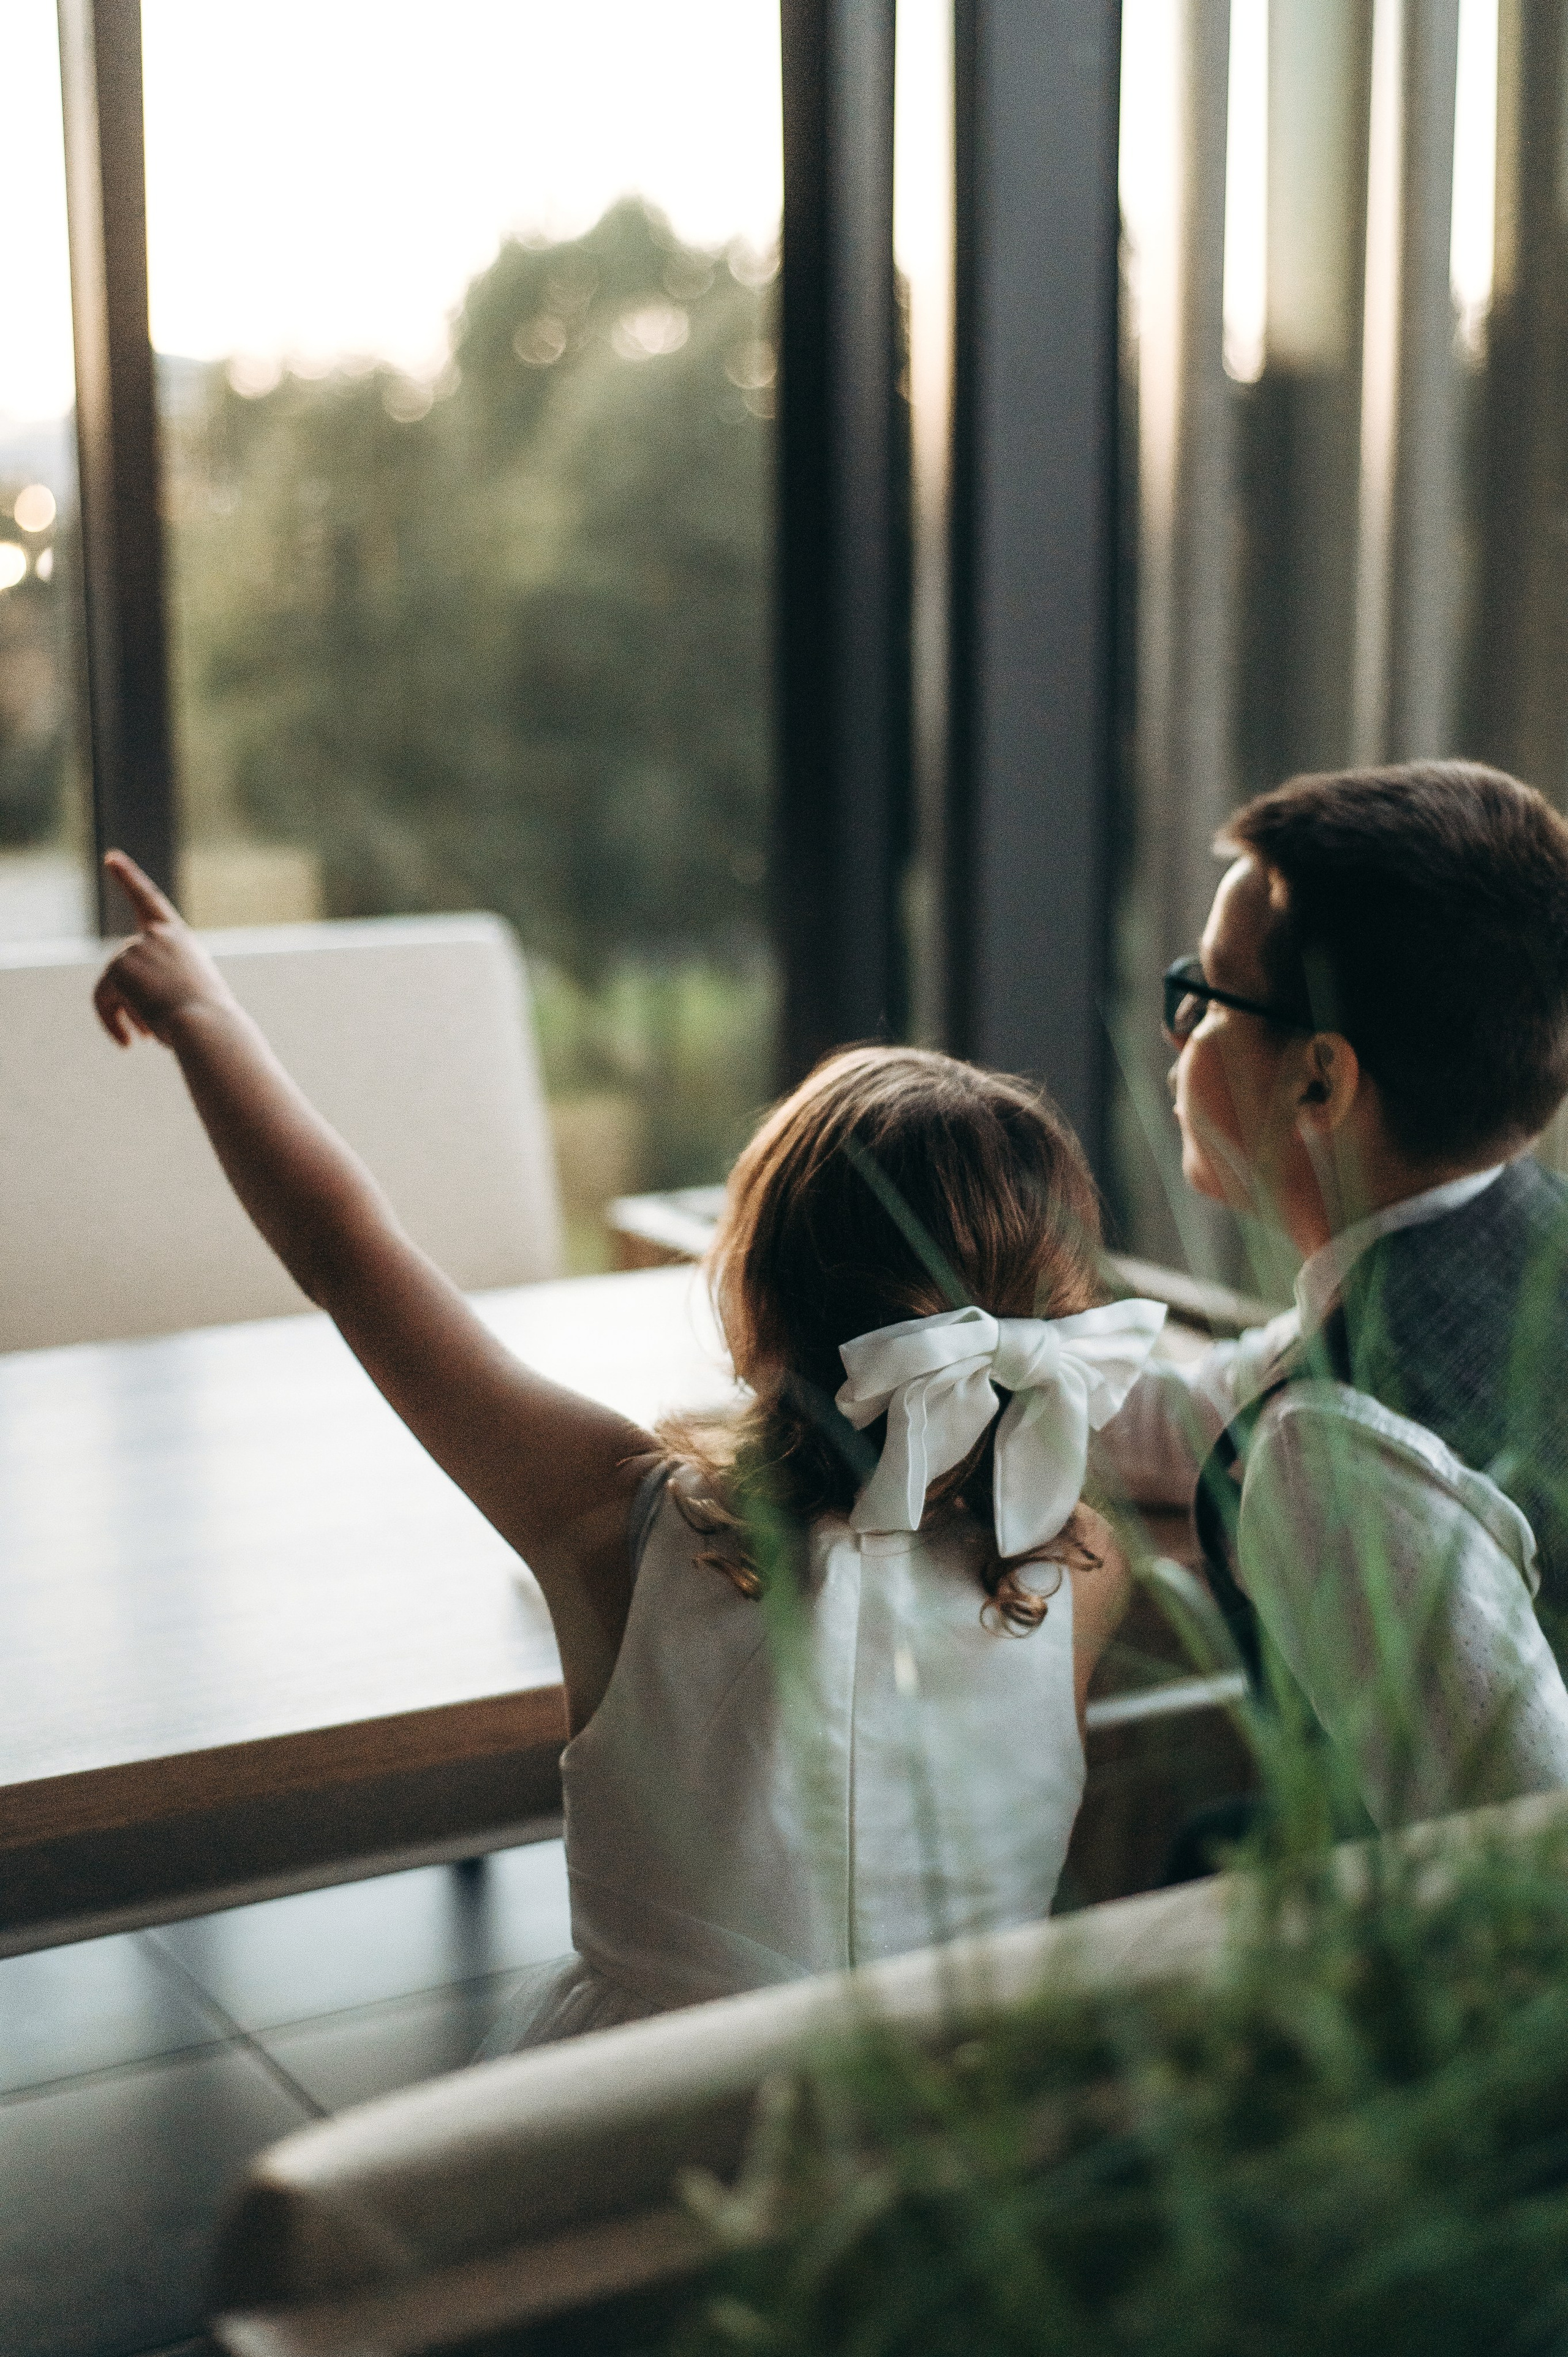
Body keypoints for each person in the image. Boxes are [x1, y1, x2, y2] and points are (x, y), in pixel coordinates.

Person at [91, 850, 1167, 2045]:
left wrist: (202, 1014)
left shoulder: (621, 1524)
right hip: (963, 2144)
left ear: (747, 1309)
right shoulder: (1079, 1571)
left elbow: (347, 1256)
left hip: (649, 2129)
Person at [1099, 760, 1568, 1836]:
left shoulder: (1335, 1461)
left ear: (1320, 1080)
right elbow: (1224, 1398)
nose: (1178, 1033)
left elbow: (1518, 1872)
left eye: (1208, 994)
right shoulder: (1510, 1241)